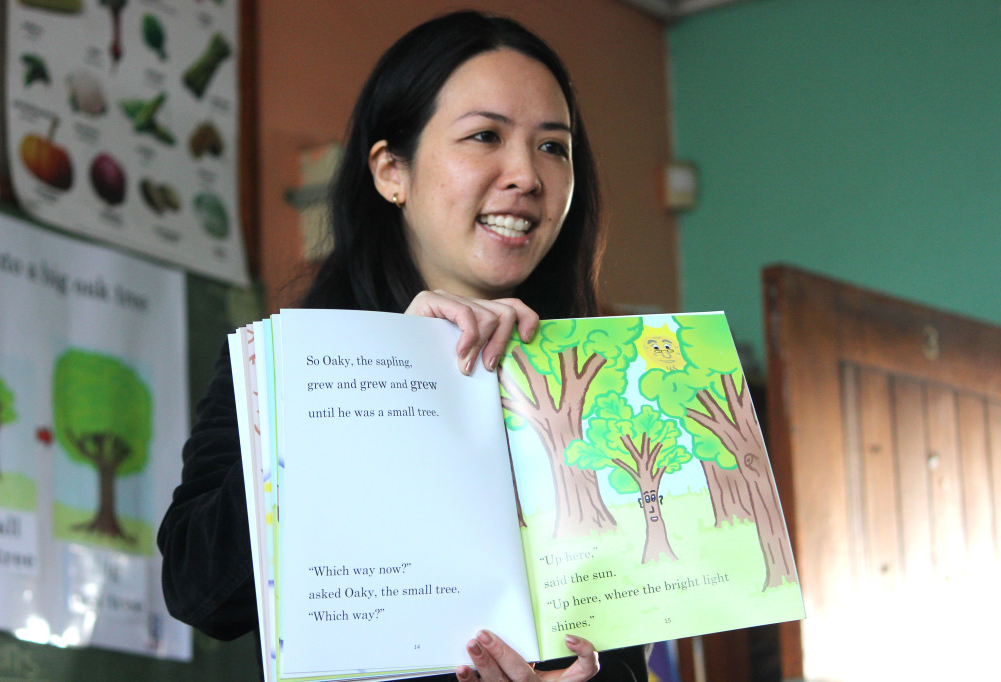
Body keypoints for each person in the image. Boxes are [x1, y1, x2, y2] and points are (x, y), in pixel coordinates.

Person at [158, 10, 650, 682]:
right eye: (485, 136)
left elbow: (625, 648)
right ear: (392, 171)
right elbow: (200, 590)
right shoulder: (275, 369)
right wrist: (375, 375)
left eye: (553, 147)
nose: (527, 176)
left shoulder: (601, 384)